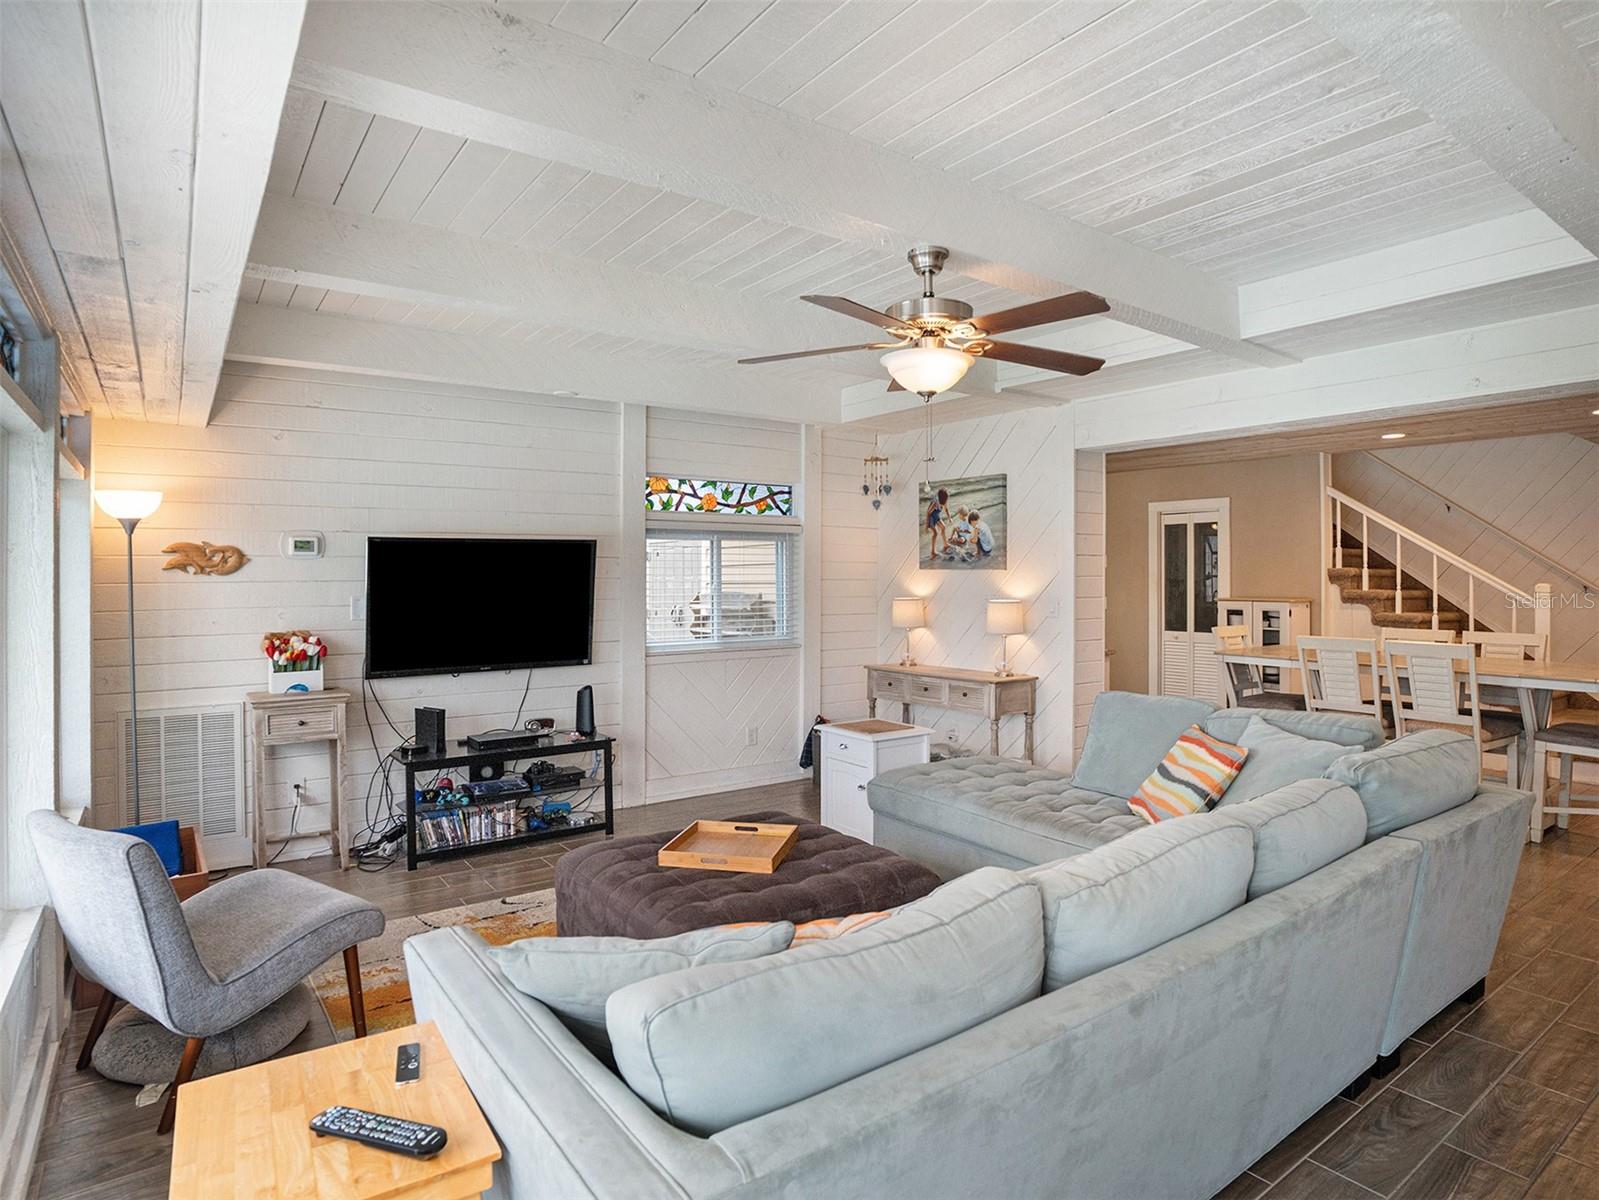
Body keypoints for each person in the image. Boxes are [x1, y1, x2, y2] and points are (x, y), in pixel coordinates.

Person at [925, 487, 949, 559]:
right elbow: (928, 513)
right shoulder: (935, 502)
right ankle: (933, 552)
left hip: (936, 516)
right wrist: (926, 526)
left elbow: (946, 509)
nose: (947, 499)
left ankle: (945, 544)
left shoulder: (944, 502)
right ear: (943, 497)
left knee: (943, 527)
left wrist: (949, 517)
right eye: (947, 497)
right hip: (931, 518)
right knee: (935, 533)